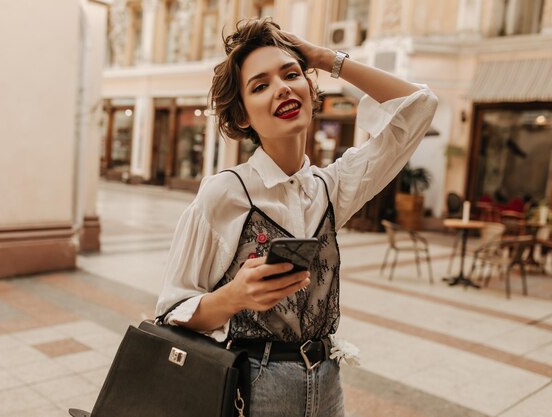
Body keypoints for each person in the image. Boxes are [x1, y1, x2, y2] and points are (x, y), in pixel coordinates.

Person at [156, 18, 438, 416]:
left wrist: (325, 58)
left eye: (291, 75)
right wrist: (234, 296)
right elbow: (171, 309)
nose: (282, 88)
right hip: (251, 385)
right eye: (260, 85)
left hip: (327, 382)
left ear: (310, 89)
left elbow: (419, 106)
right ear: (241, 118)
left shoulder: (330, 187)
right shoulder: (224, 193)